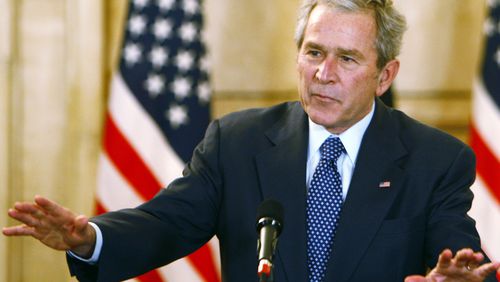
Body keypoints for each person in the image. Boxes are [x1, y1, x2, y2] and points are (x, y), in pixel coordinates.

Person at [3, 0, 500, 281]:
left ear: (385, 75)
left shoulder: (437, 159)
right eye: (313, 52)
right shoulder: (237, 142)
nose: (323, 74)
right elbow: (166, 224)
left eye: (347, 59)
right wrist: (90, 238)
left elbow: (457, 262)